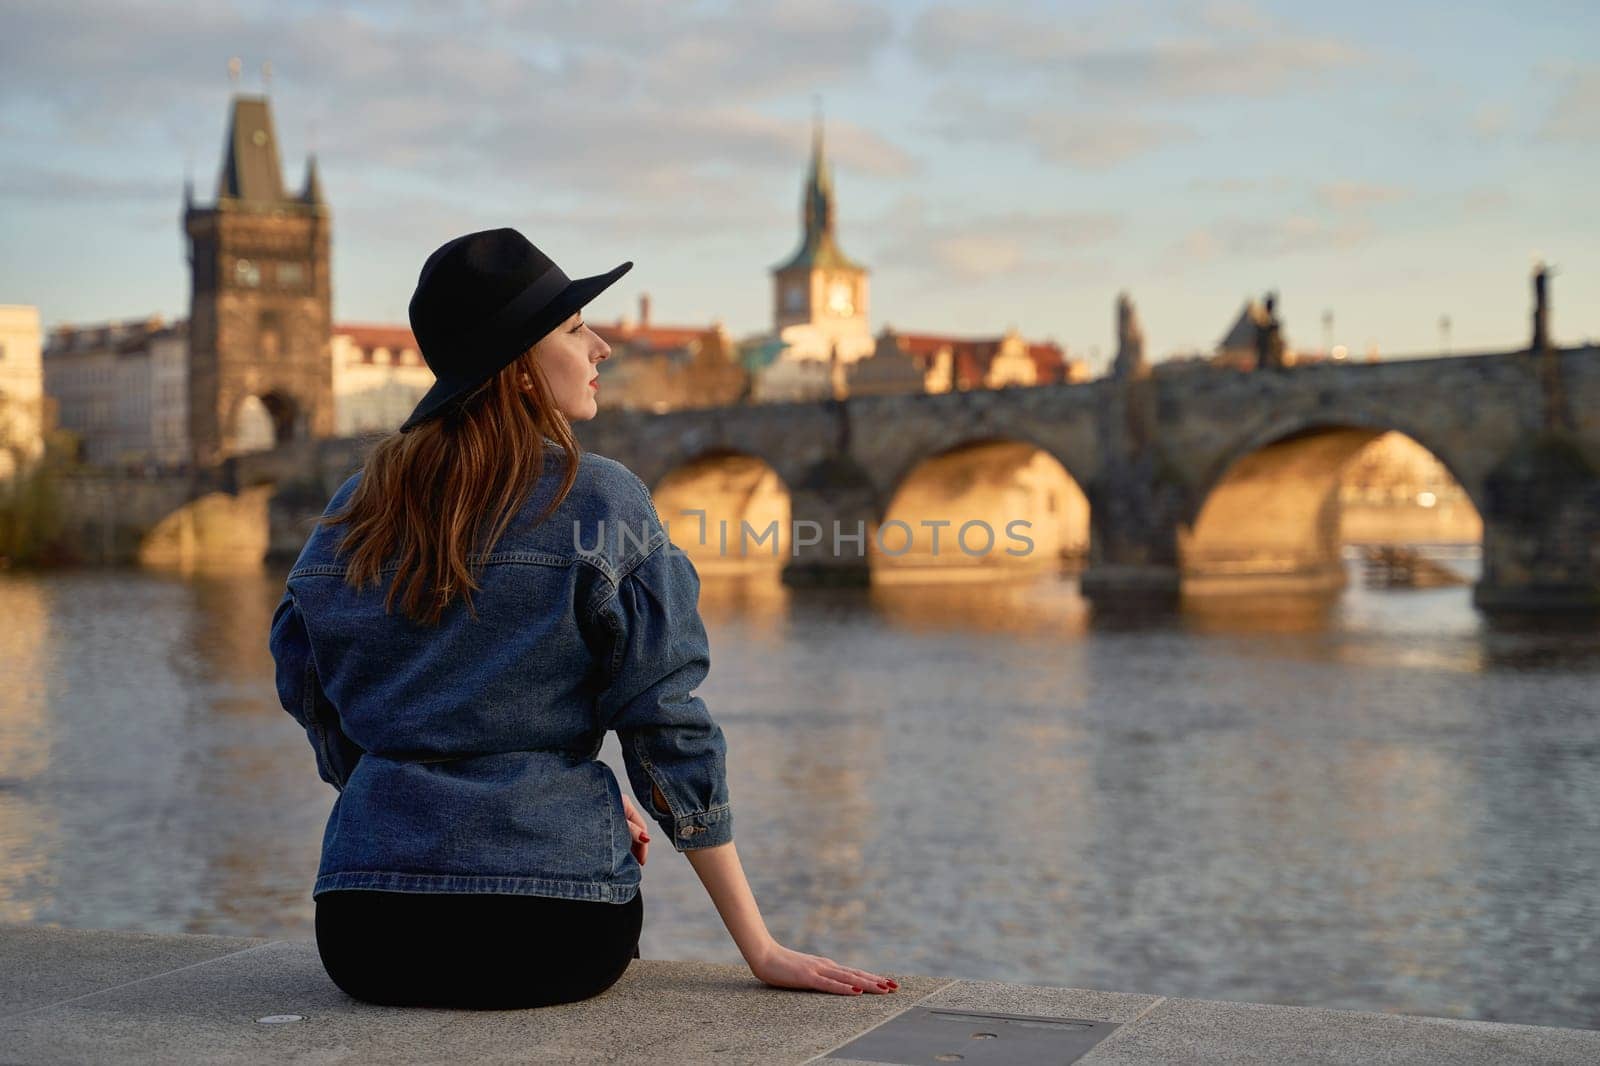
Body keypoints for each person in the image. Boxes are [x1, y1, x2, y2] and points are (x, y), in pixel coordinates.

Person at [268, 228, 898, 1010]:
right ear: (520, 366)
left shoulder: (356, 505)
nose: (600, 346)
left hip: (366, 934)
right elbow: (666, 724)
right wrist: (759, 946)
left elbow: (307, 682)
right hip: (552, 933)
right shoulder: (601, 499)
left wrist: (381, 794)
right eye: (573, 330)